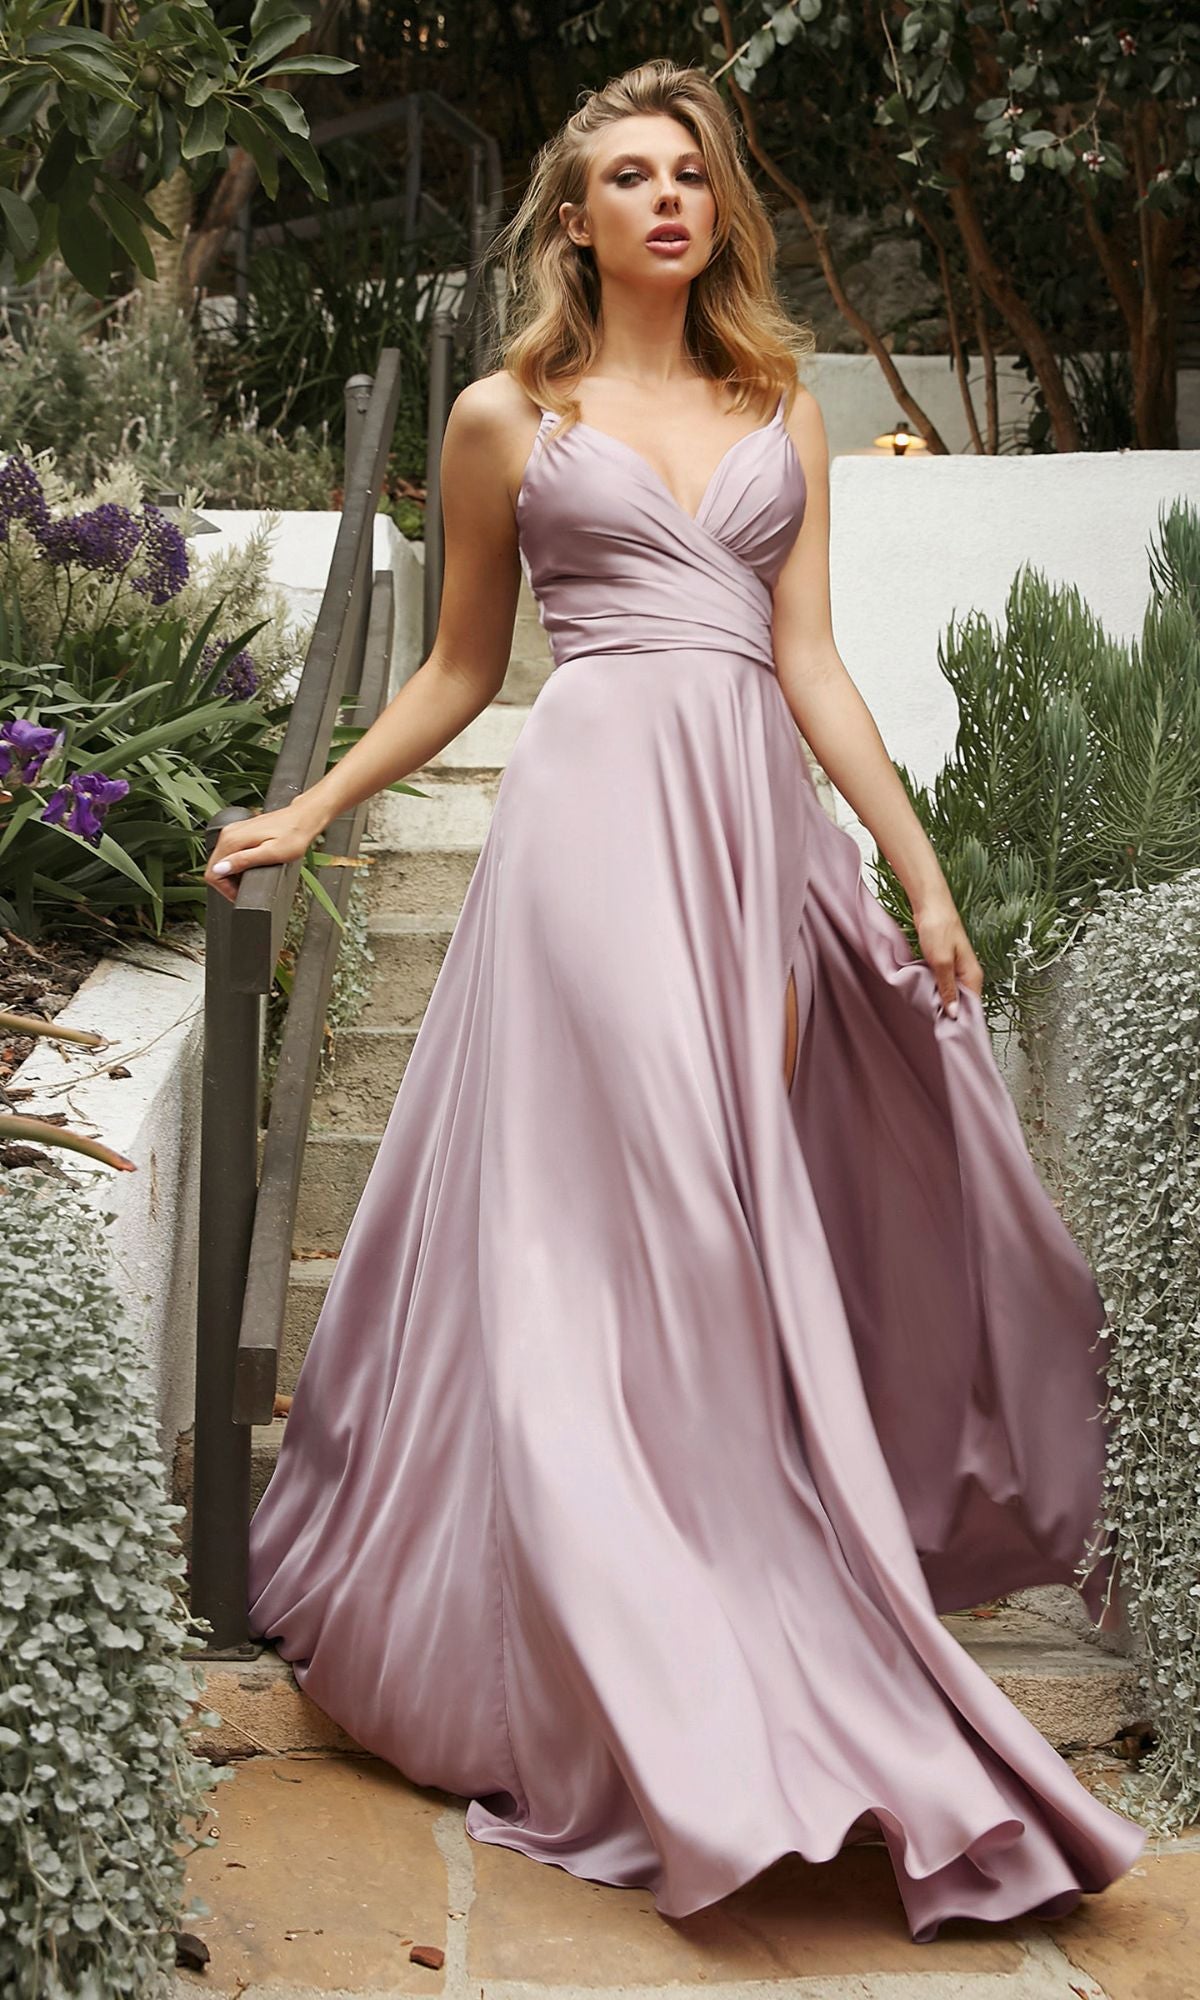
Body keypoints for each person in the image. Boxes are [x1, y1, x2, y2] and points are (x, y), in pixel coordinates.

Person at [205, 58, 1146, 1942]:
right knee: (636, 1226)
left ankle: (724, 1628)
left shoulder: (785, 409)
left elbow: (811, 668)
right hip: (583, 848)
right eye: (626, 176)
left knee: (723, 1247)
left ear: (720, 208)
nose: (662, 199)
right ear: (573, 218)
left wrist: (918, 866)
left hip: (752, 848)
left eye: (689, 174)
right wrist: (313, 802)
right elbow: (464, 669)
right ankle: (641, 1680)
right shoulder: (501, 415)